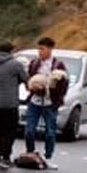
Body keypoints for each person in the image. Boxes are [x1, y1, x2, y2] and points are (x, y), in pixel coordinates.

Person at [23, 36, 70, 166]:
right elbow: (28, 79)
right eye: (39, 49)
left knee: (50, 132)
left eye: (42, 49)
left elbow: (64, 84)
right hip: (35, 101)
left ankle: (48, 156)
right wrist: (32, 87)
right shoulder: (34, 63)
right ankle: (30, 153)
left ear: (50, 49)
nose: (40, 52)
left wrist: (55, 92)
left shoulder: (58, 65)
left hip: (50, 102)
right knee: (29, 131)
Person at [0, 41, 28, 168]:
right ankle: (6, 157)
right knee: (9, 131)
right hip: (9, 104)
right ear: (11, 51)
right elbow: (26, 79)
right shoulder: (16, 65)